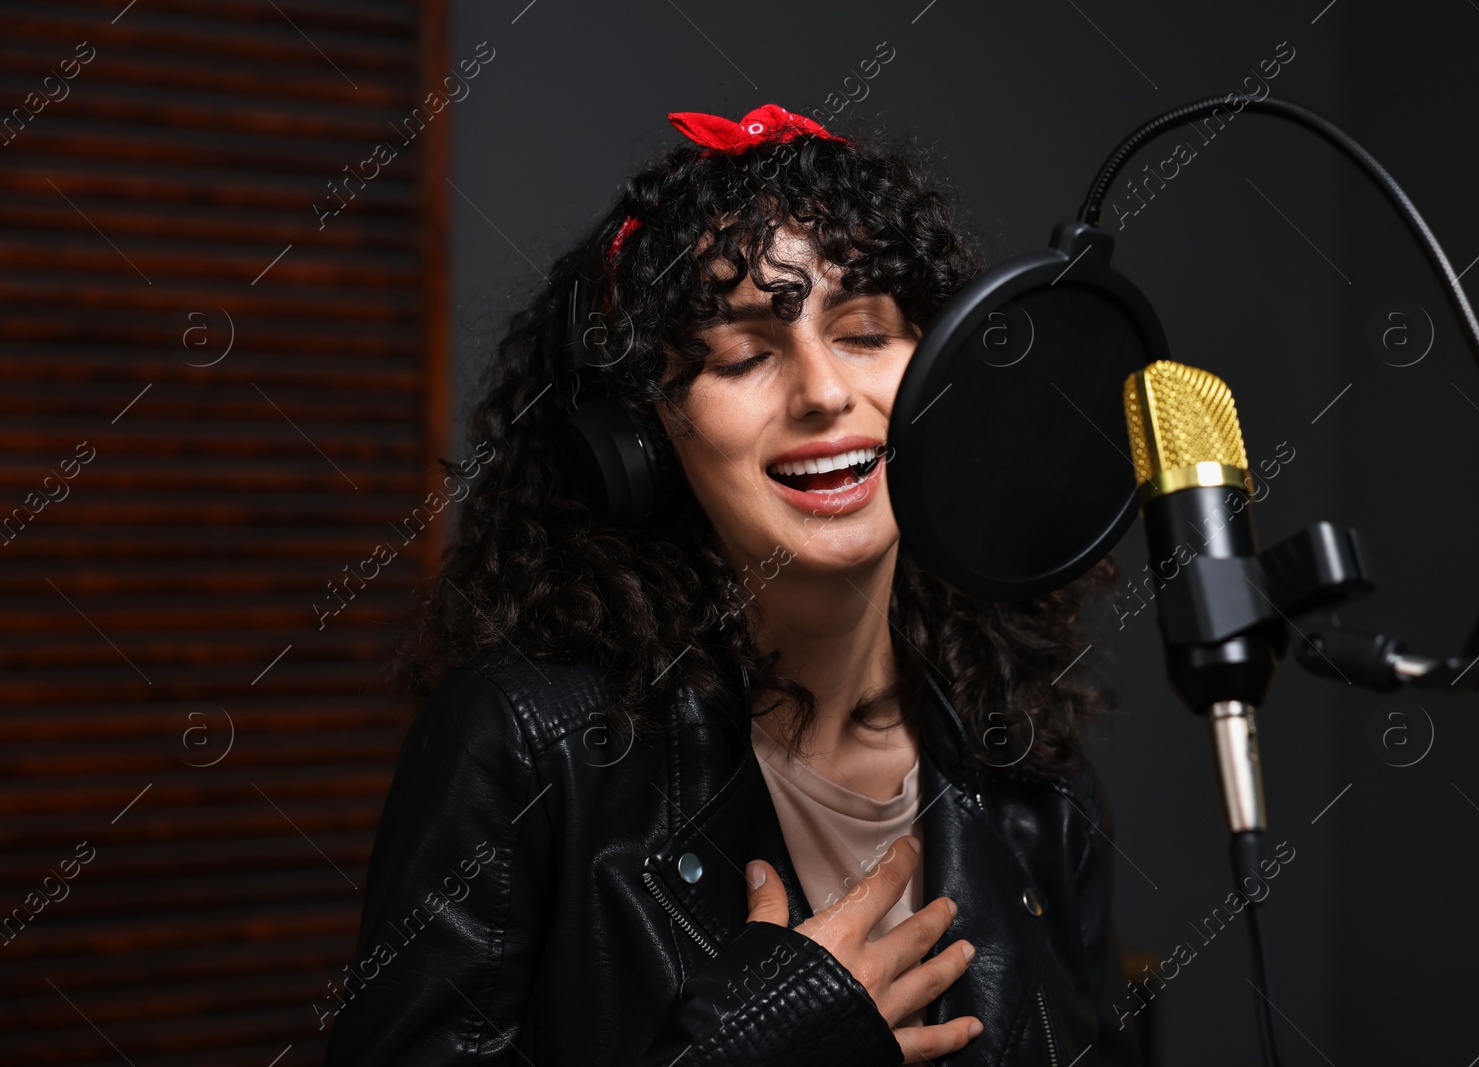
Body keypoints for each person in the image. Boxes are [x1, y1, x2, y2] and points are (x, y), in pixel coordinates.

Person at [323, 104, 1141, 1066]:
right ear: (641, 440)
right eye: (746, 354)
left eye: (866, 332)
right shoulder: (524, 750)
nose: (824, 392)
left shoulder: (1036, 786)